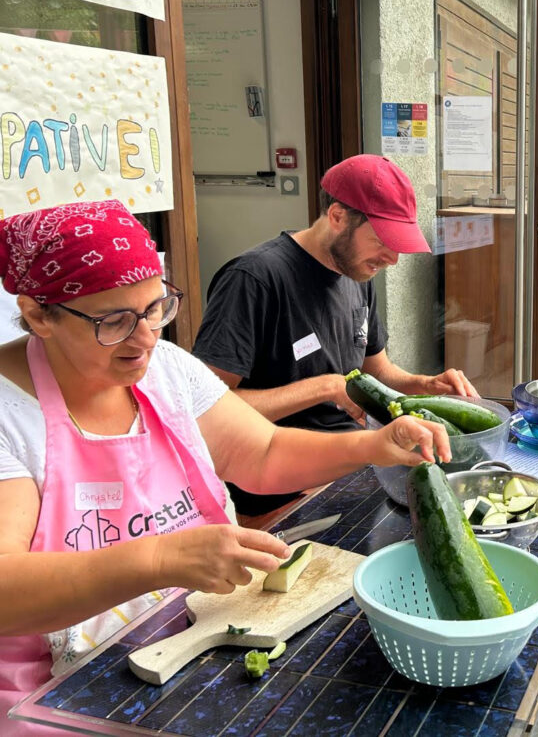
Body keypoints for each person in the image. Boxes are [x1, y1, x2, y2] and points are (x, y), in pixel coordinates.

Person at [0, 201, 450, 733]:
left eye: (155, 309)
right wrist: (159, 558)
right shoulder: (10, 413)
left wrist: (373, 445)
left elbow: (261, 453)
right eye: (114, 321)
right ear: (38, 315)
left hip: (199, 633)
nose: (146, 339)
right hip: (64, 697)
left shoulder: (167, 369)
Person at [193, 154, 477, 515]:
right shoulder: (254, 280)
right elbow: (204, 410)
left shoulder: (358, 274)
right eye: (382, 240)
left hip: (354, 461)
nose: (392, 259)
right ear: (338, 216)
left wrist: (425, 384)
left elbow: (378, 371)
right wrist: (325, 387)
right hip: (279, 488)